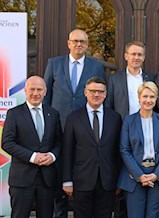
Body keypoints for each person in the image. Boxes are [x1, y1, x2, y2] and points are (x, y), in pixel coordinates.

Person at [43, 29, 105, 218]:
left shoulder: (96, 66)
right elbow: (47, 97)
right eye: (75, 41)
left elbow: (100, 94)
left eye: (83, 42)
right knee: (58, 176)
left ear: (87, 45)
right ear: (68, 43)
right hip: (58, 127)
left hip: (85, 130)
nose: (79, 44)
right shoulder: (54, 64)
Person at [2, 76, 62, 218]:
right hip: (22, 179)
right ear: (25, 91)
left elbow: (59, 142)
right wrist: (33, 156)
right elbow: (7, 143)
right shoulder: (14, 113)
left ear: (45, 91)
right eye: (32, 89)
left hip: (47, 179)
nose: (35, 93)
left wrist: (52, 156)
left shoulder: (53, 114)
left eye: (39, 89)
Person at [62, 77, 122, 218]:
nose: (96, 95)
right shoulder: (73, 118)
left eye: (100, 91)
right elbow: (67, 151)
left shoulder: (115, 118)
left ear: (105, 94)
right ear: (85, 92)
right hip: (82, 180)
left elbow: (118, 152)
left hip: (107, 181)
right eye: (93, 91)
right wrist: (67, 180)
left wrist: (119, 181)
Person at [117, 81, 159, 218]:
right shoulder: (128, 121)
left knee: (154, 215)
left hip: (157, 176)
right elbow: (124, 149)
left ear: (156, 98)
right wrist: (139, 175)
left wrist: (156, 174)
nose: (148, 100)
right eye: (145, 96)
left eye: (152, 97)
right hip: (134, 177)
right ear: (139, 98)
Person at [106, 41, 155, 119]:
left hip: (145, 123)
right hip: (121, 125)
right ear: (126, 56)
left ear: (143, 57)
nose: (136, 57)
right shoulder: (114, 79)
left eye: (139, 55)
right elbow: (108, 105)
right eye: (133, 54)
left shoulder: (151, 78)